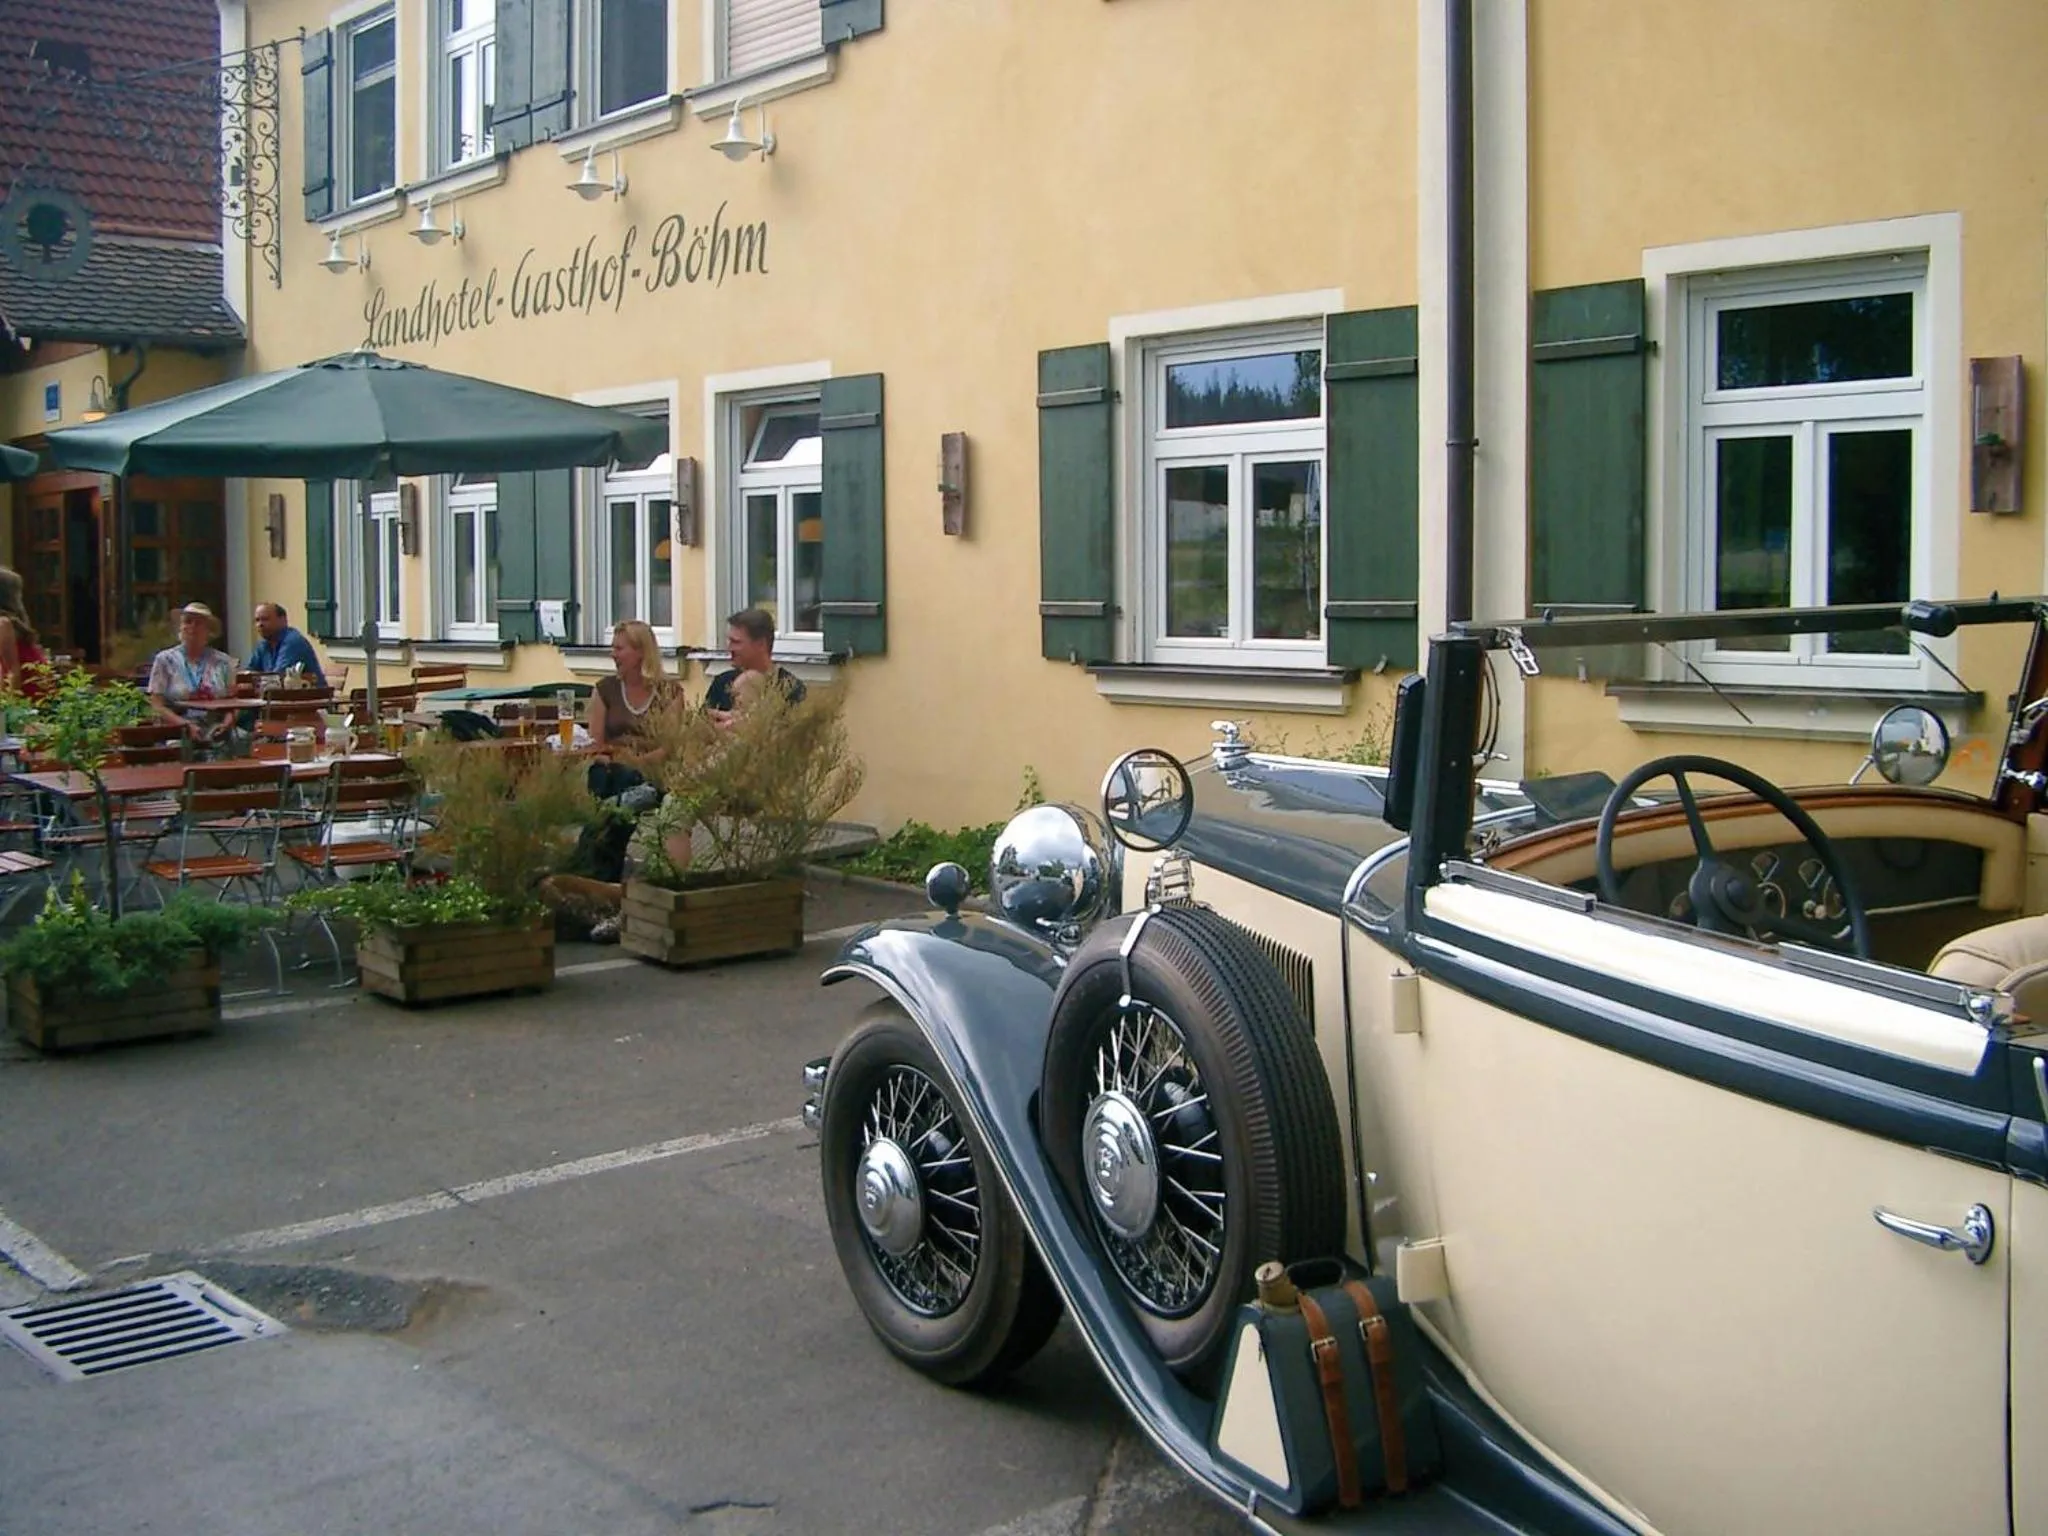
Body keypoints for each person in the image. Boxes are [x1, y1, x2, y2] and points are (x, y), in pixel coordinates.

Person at [147, 602, 238, 744]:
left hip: (216, 727)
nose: (192, 627)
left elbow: (233, 703)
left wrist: (226, 724)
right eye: (188, 622)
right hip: (177, 728)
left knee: (241, 742)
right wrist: (185, 725)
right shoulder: (165, 660)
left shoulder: (223, 662)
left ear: (209, 630)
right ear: (180, 627)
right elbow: (157, 705)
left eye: (199, 623)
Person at [705, 607, 805, 726]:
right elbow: (699, 731)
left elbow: (795, 736)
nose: (729, 648)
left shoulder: (791, 688)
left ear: (761, 644)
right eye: (729, 641)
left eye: (736, 642)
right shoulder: (722, 683)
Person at [247, 602, 327, 688]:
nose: (260, 624)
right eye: (257, 620)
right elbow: (249, 674)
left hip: (312, 699)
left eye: (265, 619)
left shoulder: (293, 642)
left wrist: (254, 680)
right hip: (279, 698)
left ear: (283, 620)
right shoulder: (263, 644)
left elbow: (277, 678)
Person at [0, 566, 50, 700]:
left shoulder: (3, 623)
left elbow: (12, 671)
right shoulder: (11, 622)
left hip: (25, 692)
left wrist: (10, 710)